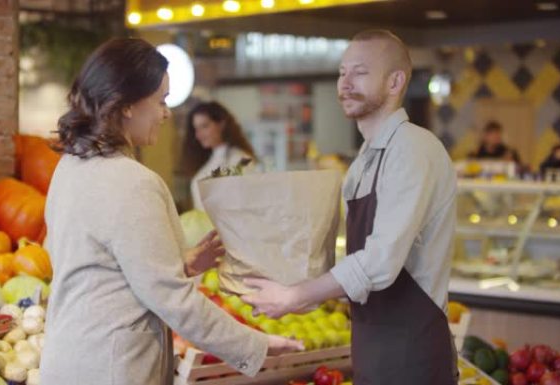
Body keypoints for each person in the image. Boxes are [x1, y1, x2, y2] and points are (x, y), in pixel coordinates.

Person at [40, 38, 302, 385]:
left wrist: (181, 266)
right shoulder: (132, 182)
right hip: (113, 368)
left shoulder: (69, 166)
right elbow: (173, 300)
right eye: (161, 100)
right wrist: (256, 344)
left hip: (68, 358)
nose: (166, 113)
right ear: (129, 104)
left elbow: (100, 268)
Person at [241, 30, 458, 385]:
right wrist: (300, 289)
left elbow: (380, 264)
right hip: (371, 349)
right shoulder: (363, 161)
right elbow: (354, 263)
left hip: (413, 356)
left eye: (360, 72)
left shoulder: (413, 149)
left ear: (395, 82)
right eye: (342, 73)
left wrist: (296, 296)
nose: (345, 83)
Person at [180, 101, 256, 210]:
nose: (198, 135)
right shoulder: (208, 161)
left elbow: (244, 199)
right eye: (196, 129)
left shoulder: (243, 159)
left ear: (221, 124)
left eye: (204, 126)